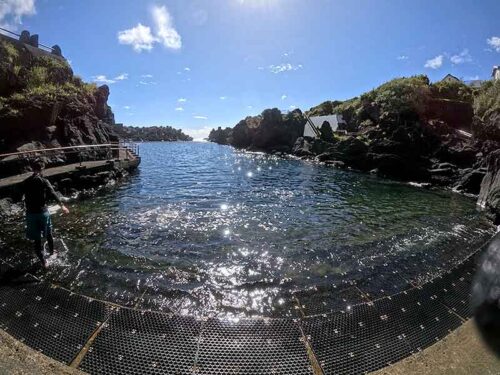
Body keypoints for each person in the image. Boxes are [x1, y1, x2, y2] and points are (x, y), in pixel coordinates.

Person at [22, 160, 69, 268]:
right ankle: (52, 253)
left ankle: (44, 262)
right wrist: (62, 206)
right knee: (48, 234)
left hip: (31, 214)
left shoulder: (25, 182)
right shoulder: (44, 181)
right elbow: (53, 193)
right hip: (43, 213)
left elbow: (19, 194)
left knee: (37, 239)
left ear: (32, 169)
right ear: (42, 168)